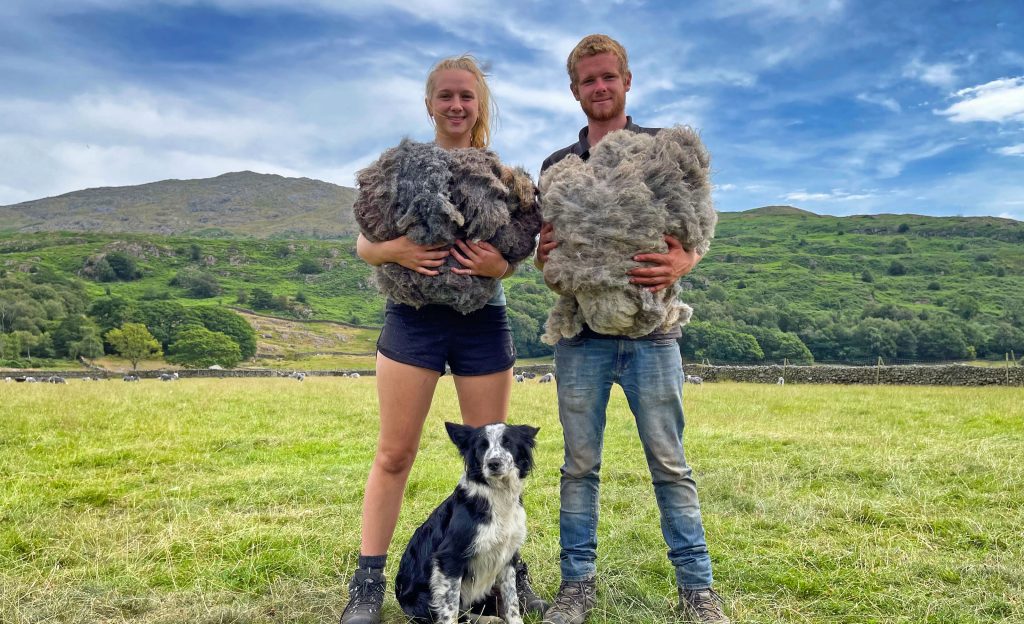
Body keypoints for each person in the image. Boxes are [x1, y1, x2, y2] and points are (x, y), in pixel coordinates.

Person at [340, 55, 546, 624]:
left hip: (484, 322)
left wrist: (499, 266)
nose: (457, 106)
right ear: (429, 104)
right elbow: (365, 244)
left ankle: (510, 574)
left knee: (496, 459)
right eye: (446, 96)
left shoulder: (503, 176)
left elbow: (514, 253)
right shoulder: (402, 168)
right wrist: (394, 251)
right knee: (394, 453)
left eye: (467, 97)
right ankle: (367, 583)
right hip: (413, 319)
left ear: (479, 105)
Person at [535, 35, 730, 624]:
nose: (600, 87)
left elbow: (696, 230)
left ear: (626, 81)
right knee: (579, 466)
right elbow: (549, 261)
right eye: (588, 80)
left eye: (608, 77)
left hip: (654, 336)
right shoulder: (557, 168)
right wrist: (549, 261)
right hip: (581, 337)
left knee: (670, 463)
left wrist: (684, 263)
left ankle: (698, 591)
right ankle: (577, 587)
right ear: (575, 90)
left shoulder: (662, 152)